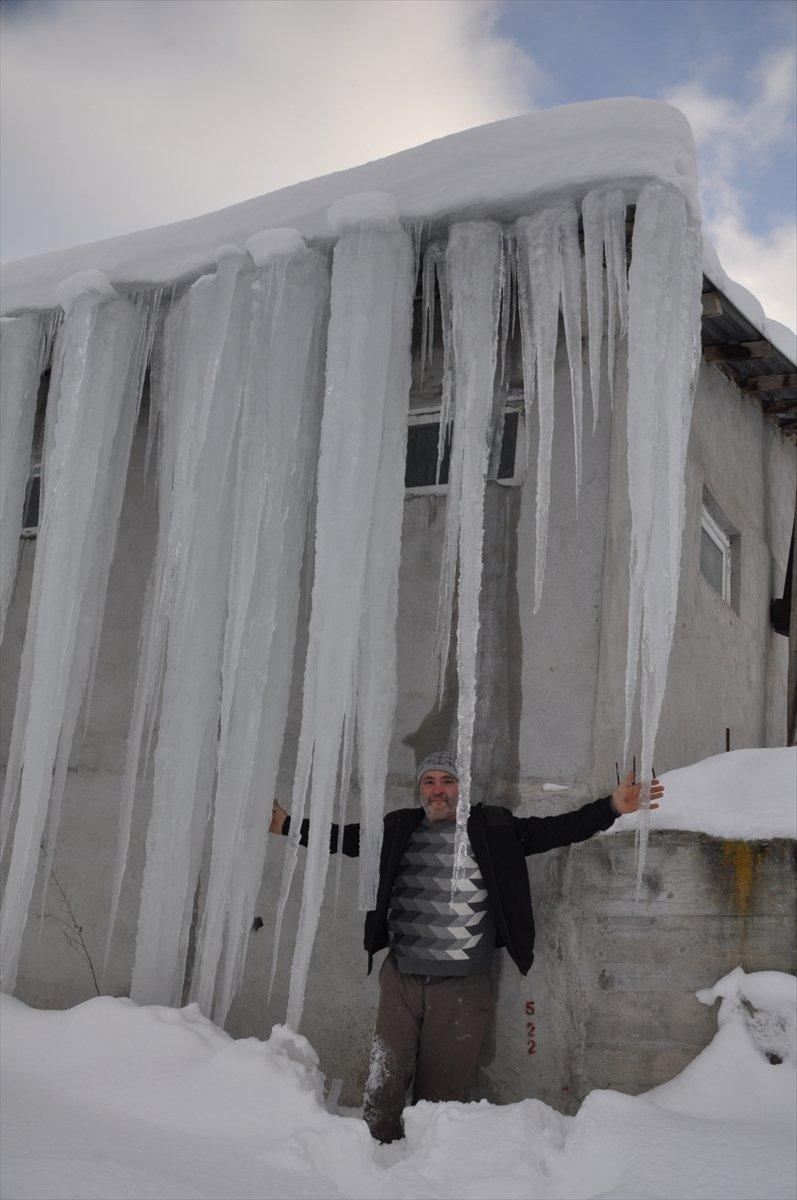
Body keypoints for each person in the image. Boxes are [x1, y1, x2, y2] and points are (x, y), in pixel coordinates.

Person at [269, 751, 663, 1143]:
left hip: (462, 986)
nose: (438, 790)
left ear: (462, 788)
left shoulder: (493, 829)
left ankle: (429, 1169)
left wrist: (611, 807)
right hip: (402, 978)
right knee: (383, 1084)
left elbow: (558, 830)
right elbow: (341, 837)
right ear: (419, 789)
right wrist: (287, 825)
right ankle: (372, 1158)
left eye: (448, 781)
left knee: (440, 1096)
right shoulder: (398, 829)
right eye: (429, 781)